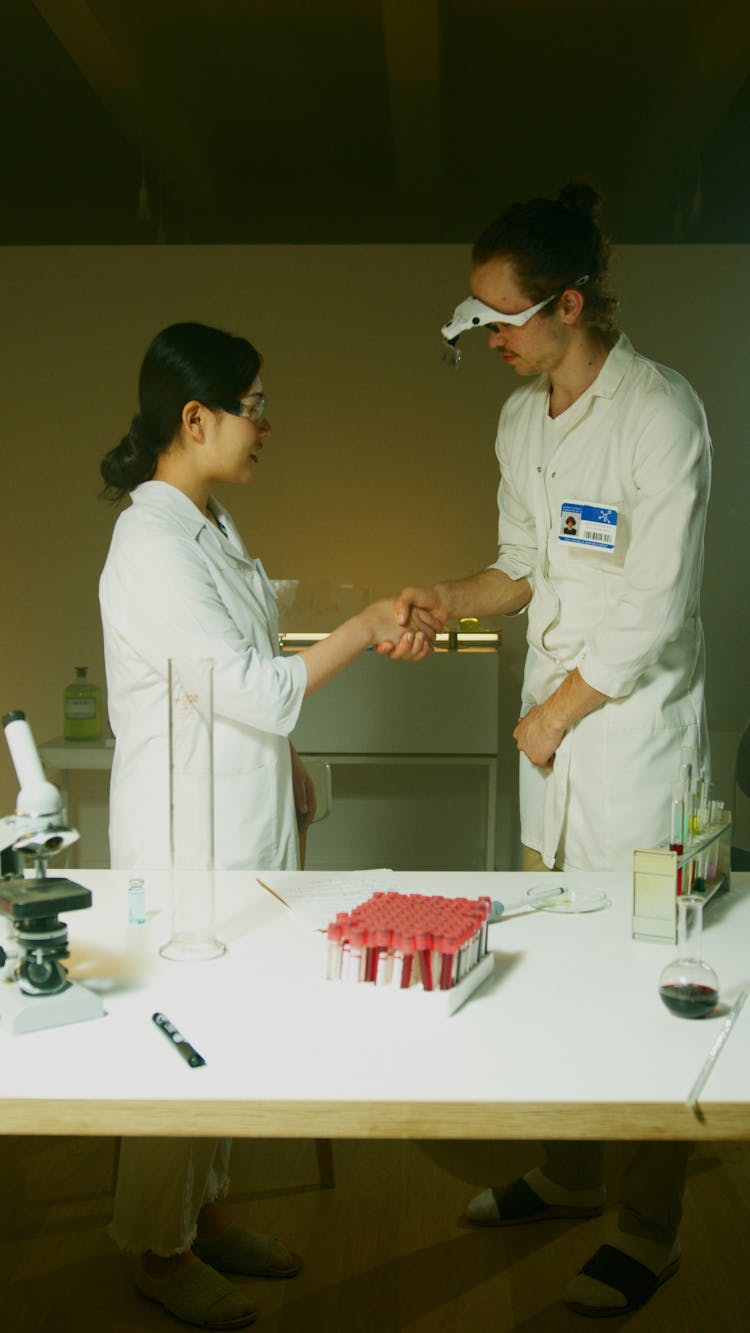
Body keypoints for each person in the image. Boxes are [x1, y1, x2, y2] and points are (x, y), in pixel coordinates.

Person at [395, 183, 711, 1317]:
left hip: (631, 752)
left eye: (504, 318)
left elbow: (657, 604)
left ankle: (652, 1225)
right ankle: (574, 1175)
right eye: (476, 318)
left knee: (655, 982)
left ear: (569, 302)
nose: (489, 338)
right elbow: (521, 563)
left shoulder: (662, 415)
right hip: (555, 748)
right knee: (565, 977)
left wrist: (559, 711)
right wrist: (451, 593)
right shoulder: (520, 419)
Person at [99, 321, 429, 1330]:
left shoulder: (212, 529)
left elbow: (230, 673)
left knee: (230, 1031)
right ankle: (157, 1250)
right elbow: (253, 682)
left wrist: (282, 763)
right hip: (185, 836)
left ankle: (205, 1213)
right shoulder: (151, 544)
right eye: (254, 405)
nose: (265, 424)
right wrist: (371, 625)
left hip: (238, 819)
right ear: (195, 419)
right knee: (182, 1038)